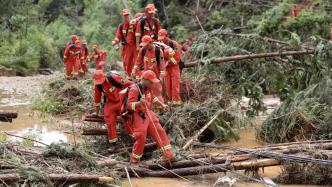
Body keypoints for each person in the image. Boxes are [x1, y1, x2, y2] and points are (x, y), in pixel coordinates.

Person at [126, 70, 174, 164]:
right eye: (151, 81)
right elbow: (129, 105)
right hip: (139, 114)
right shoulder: (134, 89)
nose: (152, 83)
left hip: (149, 113)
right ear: (144, 79)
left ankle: (168, 156)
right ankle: (134, 160)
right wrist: (139, 103)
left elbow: (153, 98)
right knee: (141, 135)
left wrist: (162, 104)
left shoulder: (148, 88)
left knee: (160, 131)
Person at [93, 70, 133, 143]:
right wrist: (97, 113)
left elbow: (130, 84)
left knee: (126, 117)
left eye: (101, 80)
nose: (100, 82)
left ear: (104, 76)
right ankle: (113, 141)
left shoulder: (113, 77)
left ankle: (134, 136)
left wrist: (132, 98)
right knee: (108, 117)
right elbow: (97, 100)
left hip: (122, 99)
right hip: (111, 102)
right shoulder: (98, 85)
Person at [157, 29, 182, 106]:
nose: (162, 40)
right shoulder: (160, 45)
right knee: (167, 85)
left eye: (163, 38)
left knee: (175, 85)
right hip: (166, 68)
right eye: (160, 39)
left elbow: (177, 58)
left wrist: (169, 62)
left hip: (174, 67)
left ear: (166, 36)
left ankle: (176, 102)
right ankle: (170, 102)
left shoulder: (174, 44)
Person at [112, 9, 137, 76]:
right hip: (126, 47)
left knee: (136, 62)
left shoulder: (134, 23)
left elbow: (142, 17)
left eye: (127, 15)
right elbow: (118, 36)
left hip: (134, 46)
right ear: (122, 16)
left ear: (129, 15)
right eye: (124, 16)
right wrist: (115, 41)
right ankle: (129, 77)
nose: (126, 17)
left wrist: (136, 19)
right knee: (126, 63)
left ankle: (137, 77)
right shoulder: (121, 26)